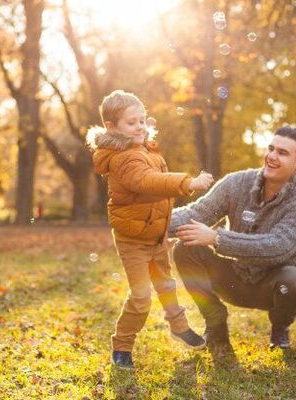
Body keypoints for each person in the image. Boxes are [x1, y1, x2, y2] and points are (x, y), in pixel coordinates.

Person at [86, 90, 214, 369]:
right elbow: (147, 181)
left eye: (142, 120)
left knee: (166, 284)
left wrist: (144, 131)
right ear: (111, 127)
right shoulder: (123, 158)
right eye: (132, 122)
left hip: (154, 234)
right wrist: (188, 183)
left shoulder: (139, 148)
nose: (140, 127)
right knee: (142, 297)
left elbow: (147, 156)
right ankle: (122, 346)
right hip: (133, 240)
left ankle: (178, 326)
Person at [169, 126, 296, 353]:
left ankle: (280, 327)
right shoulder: (236, 182)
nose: (272, 156)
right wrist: (147, 222)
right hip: (232, 280)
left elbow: (278, 247)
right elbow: (196, 213)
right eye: (271, 149)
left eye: (283, 153)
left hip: (273, 286)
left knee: (294, 282)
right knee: (185, 248)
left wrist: (217, 238)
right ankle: (215, 323)